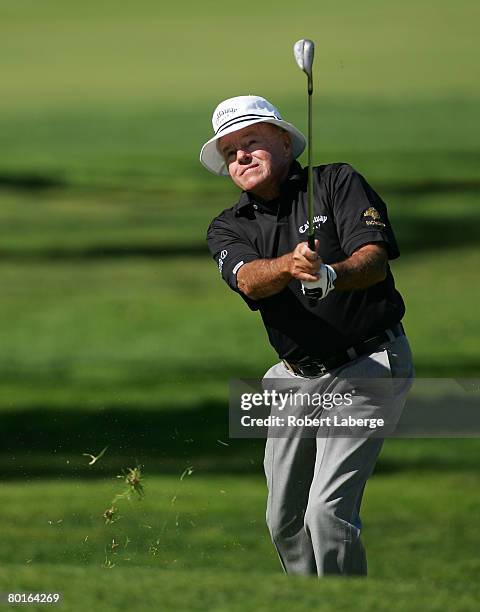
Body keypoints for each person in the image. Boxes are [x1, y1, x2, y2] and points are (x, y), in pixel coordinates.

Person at [200, 95, 414, 577]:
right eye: (230, 151)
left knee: (327, 514)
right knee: (284, 522)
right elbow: (248, 278)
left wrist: (332, 274)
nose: (241, 156)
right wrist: (290, 265)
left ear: (283, 139)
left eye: (251, 141)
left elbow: (375, 260)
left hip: (367, 366)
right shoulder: (227, 226)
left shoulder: (336, 182)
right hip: (295, 379)